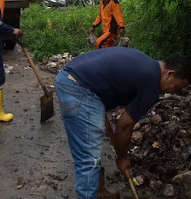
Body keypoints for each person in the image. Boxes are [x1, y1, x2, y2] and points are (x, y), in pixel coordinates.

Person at [55, 47, 191, 199]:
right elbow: (124, 124)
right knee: (88, 157)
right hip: (79, 87)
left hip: (71, 78)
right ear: (170, 74)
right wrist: (122, 156)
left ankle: (97, 191)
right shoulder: (152, 84)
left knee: (90, 145)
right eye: (176, 87)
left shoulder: (146, 64)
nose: (172, 92)